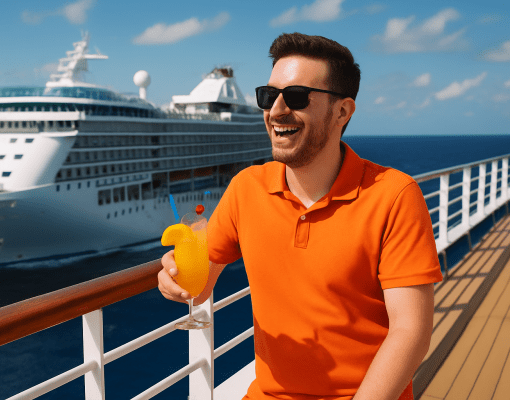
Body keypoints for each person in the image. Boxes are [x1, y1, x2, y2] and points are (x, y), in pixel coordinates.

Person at [158, 32, 443, 400]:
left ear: (342, 111)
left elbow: (411, 331)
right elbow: (200, 280)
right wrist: (176, 279)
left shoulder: (394, 195)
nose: (275, 111)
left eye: (296, 97)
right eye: (268, 95)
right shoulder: (247, 188)